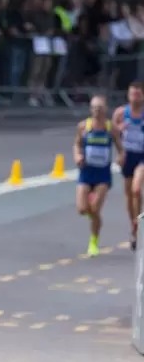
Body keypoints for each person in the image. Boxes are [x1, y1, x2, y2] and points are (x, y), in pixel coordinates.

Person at [74, 96, 123, 257]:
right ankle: (94, 215)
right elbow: (77, 144)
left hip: (103, 174)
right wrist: (77, 156)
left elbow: (120, 147)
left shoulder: (110, 127)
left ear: (105, 109)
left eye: (100, 108)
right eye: (94, 108)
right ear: (90, 109)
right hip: (86, 172)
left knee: (95, 209)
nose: (97, 111)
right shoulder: (83, 126)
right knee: (82, 209)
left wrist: (121, 157)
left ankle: (93, 241)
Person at [111, 82, 144, 249]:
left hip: (142, 156)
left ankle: (139, 224)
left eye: (137, 95)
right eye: (132, 95)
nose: (134, 98)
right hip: (128, 155)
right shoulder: (121, 113)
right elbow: (112, 133)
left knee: (136, 189)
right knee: (129, 194)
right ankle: (134, 226)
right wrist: (119, 129)